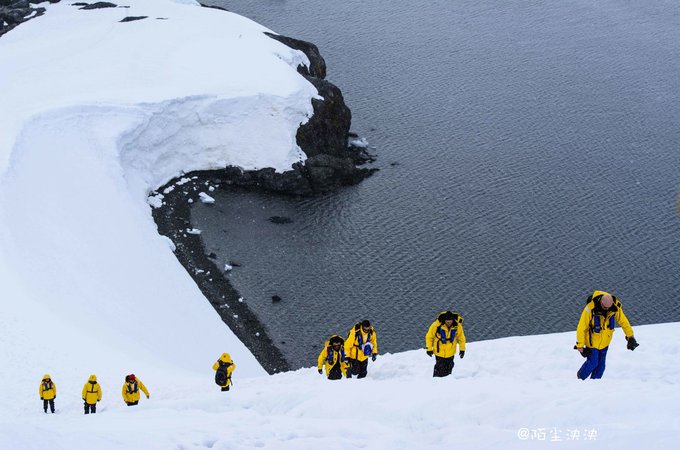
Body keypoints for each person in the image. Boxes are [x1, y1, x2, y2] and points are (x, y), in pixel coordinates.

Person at [575, 290, 638, 380]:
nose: (607, 309)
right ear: (601, 302)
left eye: (609, 307)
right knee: (593, 362)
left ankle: (595, 383)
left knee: (601, 366)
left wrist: (630, 337)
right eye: (605, 307)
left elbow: (623, 322)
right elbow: (581, 327)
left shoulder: (615, 307)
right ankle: (580, 378)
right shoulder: (590, 308)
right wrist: (580, 344)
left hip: (605, 342)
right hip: (592, 342)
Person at [425, 310, 466, 377]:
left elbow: (461, 338)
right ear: (444, 320)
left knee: (449, 369)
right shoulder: (436, 325)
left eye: (450, 321)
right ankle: (435, 382)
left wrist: (462, 349)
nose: (448, 322)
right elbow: (429, 337)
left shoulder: (457, 326)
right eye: (447, 321)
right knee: (439, 369)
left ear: (453, 320)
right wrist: (429, 348)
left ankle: (447, 384)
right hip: (439, 352)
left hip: (451, 352)